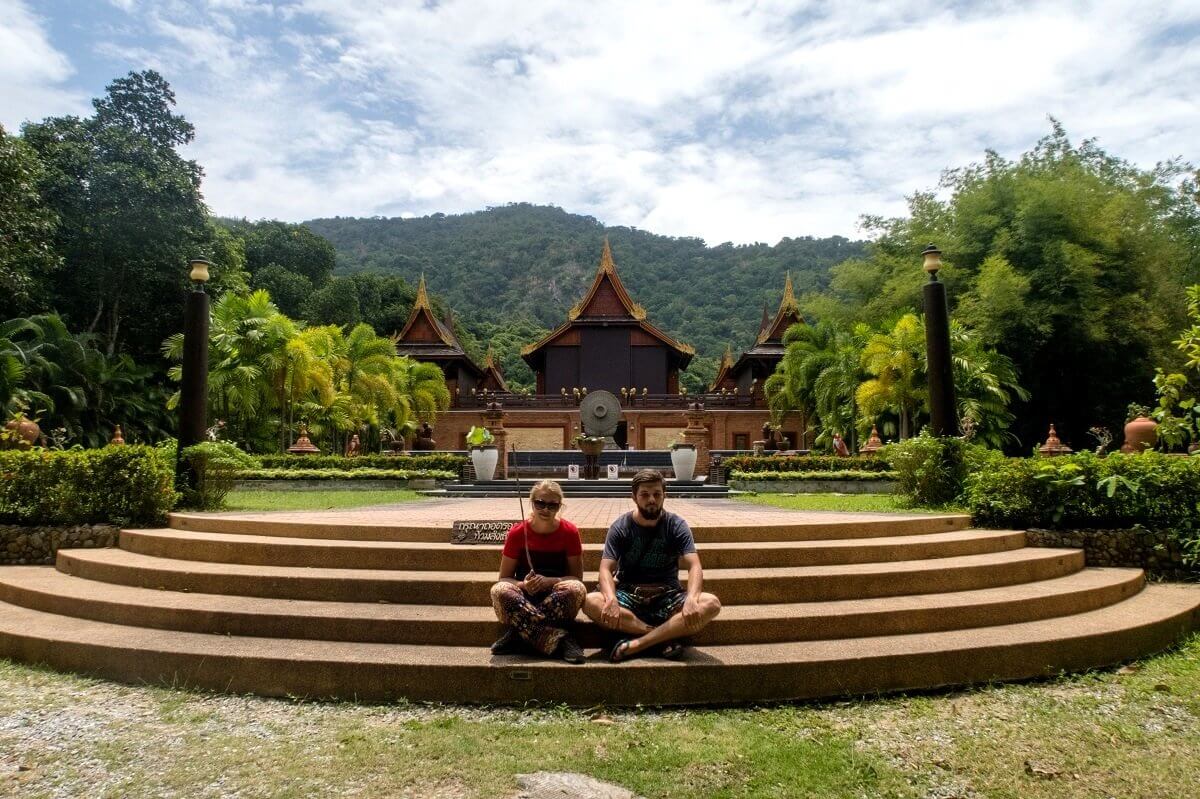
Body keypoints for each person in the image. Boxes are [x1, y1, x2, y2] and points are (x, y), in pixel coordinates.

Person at [582, 469, 722, 662]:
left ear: (665, 494)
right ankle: (659, 637)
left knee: (711, 603)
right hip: (629, 595)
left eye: (657, 494)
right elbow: (606, 569)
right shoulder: (621, 526)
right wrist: (610, 598)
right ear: (634, 497)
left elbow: (694, 565)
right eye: (645, 495)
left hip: (667, 596)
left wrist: (692, 598)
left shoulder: (676, 525)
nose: (652, 500)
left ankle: (638, 643)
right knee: (591, 602)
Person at [489, 480, 587, 663]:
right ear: (532, 502)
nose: (545, 509)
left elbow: (576, 578)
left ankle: (519, 634)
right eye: (540, 503)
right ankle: (562, 639)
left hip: (556, 596)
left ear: (560, 506)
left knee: (576, 589)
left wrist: (550, 581)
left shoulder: (570, 532)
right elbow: (504, 577)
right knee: (499, 590)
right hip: (524, 597)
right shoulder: (517, 533)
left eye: (552, 505)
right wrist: (523, 584)